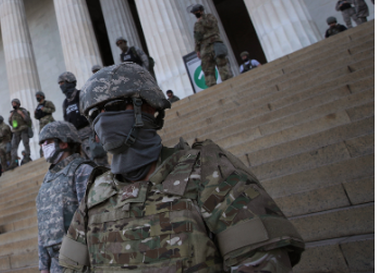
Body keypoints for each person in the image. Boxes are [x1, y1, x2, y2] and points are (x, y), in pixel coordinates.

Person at [59, 63, 305, 272]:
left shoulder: (209, 172)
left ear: (148, 107)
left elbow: (262, 260)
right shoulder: (96, 192)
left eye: (112, 107)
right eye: (95, 113)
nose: (102, 119)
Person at [36, 121, 95, 273]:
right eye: (42, 143)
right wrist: (43, 267)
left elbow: (93, 219)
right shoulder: (47, 179)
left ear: (63, 143)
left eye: (47, 142)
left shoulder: (82, 171)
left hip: (81, 260)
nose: (43, 146)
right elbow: (42, 226)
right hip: (56, 263)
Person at [59, 72, 108, 167]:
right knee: (88, 167)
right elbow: (67, 122)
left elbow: (93, 114)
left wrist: (97, 133)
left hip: (90, 135)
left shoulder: (82, 95)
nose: (61, 86)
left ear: (69, 82)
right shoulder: (65, 103)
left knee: (100, 163)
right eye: (60, 84)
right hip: (78, 139)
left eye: (62, 83)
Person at [190, 4, 232, 87]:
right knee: (207, 68)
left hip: (214, 43)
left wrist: (201, 20)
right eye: (195, 13)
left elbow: (211, 24)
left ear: (201, 11)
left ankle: (228, 82)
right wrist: (197, 50)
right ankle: (211, 86)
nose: (196, 14)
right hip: (204, 47)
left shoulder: (210, 17)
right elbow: (197, 38)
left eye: (197, 12)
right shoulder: (196, 24)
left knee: (222, 63)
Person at [8, 99, 33, 167]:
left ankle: (27, 156)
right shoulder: (12, 113)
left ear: (18, 104)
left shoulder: (23, 110)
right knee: (13, 146)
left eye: (14, 103)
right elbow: (11, 123)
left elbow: (27, 119)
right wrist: (10, 118)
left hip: (23, 130)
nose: (13, 104)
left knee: (26, 143)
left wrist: (21, 114)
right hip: (16, 131)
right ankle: (14, 161)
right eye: (12, 103)